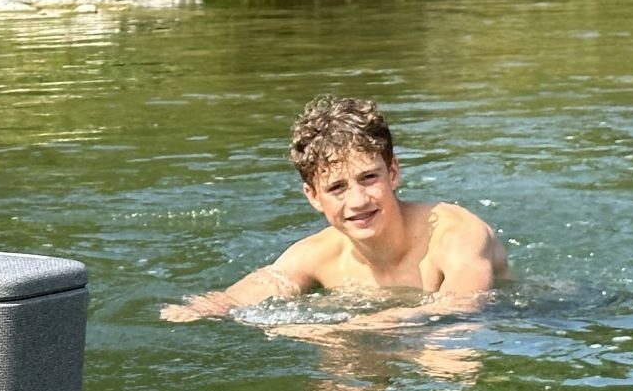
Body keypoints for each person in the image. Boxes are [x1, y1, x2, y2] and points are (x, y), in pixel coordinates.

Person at [160, 96, 510, 327]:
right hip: (383, 330)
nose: (358, 201)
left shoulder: (456, 233)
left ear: (393, 173)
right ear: (313, 197)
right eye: (337, 188)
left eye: (369, 178)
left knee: (449, 360)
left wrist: (353, 328)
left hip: (520, 318)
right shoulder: (320, 255)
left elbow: (465, 307)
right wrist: (206, 307)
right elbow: (269, 281)